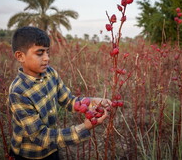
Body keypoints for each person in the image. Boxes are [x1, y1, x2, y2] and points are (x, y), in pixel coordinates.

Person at [8, 26, 110, 160]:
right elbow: (41, 137)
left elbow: (68, 100)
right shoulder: (18, 92)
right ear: (20, 56)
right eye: (40, 53)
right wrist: (83, 127)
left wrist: (91, 101)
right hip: (29, 154)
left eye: (47, 52)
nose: (46, 58)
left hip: (52, 147)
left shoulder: (50, 73)